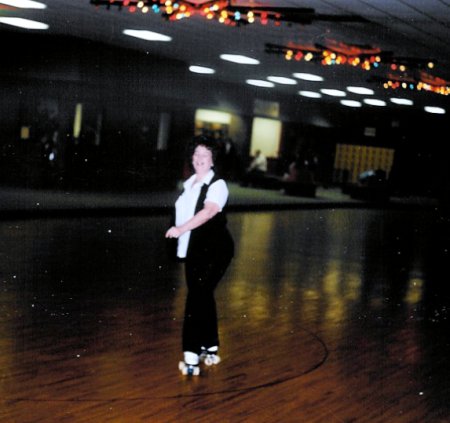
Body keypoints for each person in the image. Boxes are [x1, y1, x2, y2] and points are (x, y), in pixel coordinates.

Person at [165, 135, 234, 376]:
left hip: (216, 250)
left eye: (204, 156)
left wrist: (181, 229)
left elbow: (208, 212)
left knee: (196, 296)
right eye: (195, 155)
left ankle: (191, 353)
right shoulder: (190, 183)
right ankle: (210, 344)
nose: (198, 159)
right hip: (195, 249)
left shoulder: (218, 185)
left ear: (213, 160)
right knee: (202, 294)